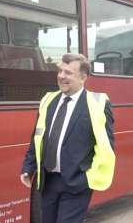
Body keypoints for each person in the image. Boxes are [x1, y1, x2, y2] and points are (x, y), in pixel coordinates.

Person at [20, 53, 115, 223]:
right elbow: (37, 137)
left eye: (68, 73)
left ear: (83, 78)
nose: (62, 76)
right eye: (60, 71)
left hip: (76, 183)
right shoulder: (48, 100)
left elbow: (106, 147)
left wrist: (87, 178)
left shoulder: (98, 104)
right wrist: (28, 167)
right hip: (48, 181)